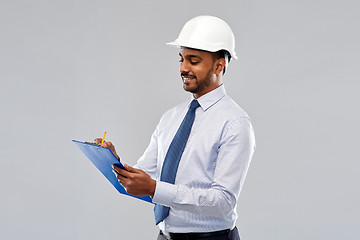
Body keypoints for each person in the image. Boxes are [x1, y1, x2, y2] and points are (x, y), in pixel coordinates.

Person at [95, 15, 255, 240]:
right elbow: (144, 180)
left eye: (194, 60)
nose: (183, 68)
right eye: (181, 59)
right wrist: (115, 164)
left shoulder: (235, 123)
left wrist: (153, 188)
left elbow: (223, 202)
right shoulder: (171, 118)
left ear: (219, 65)